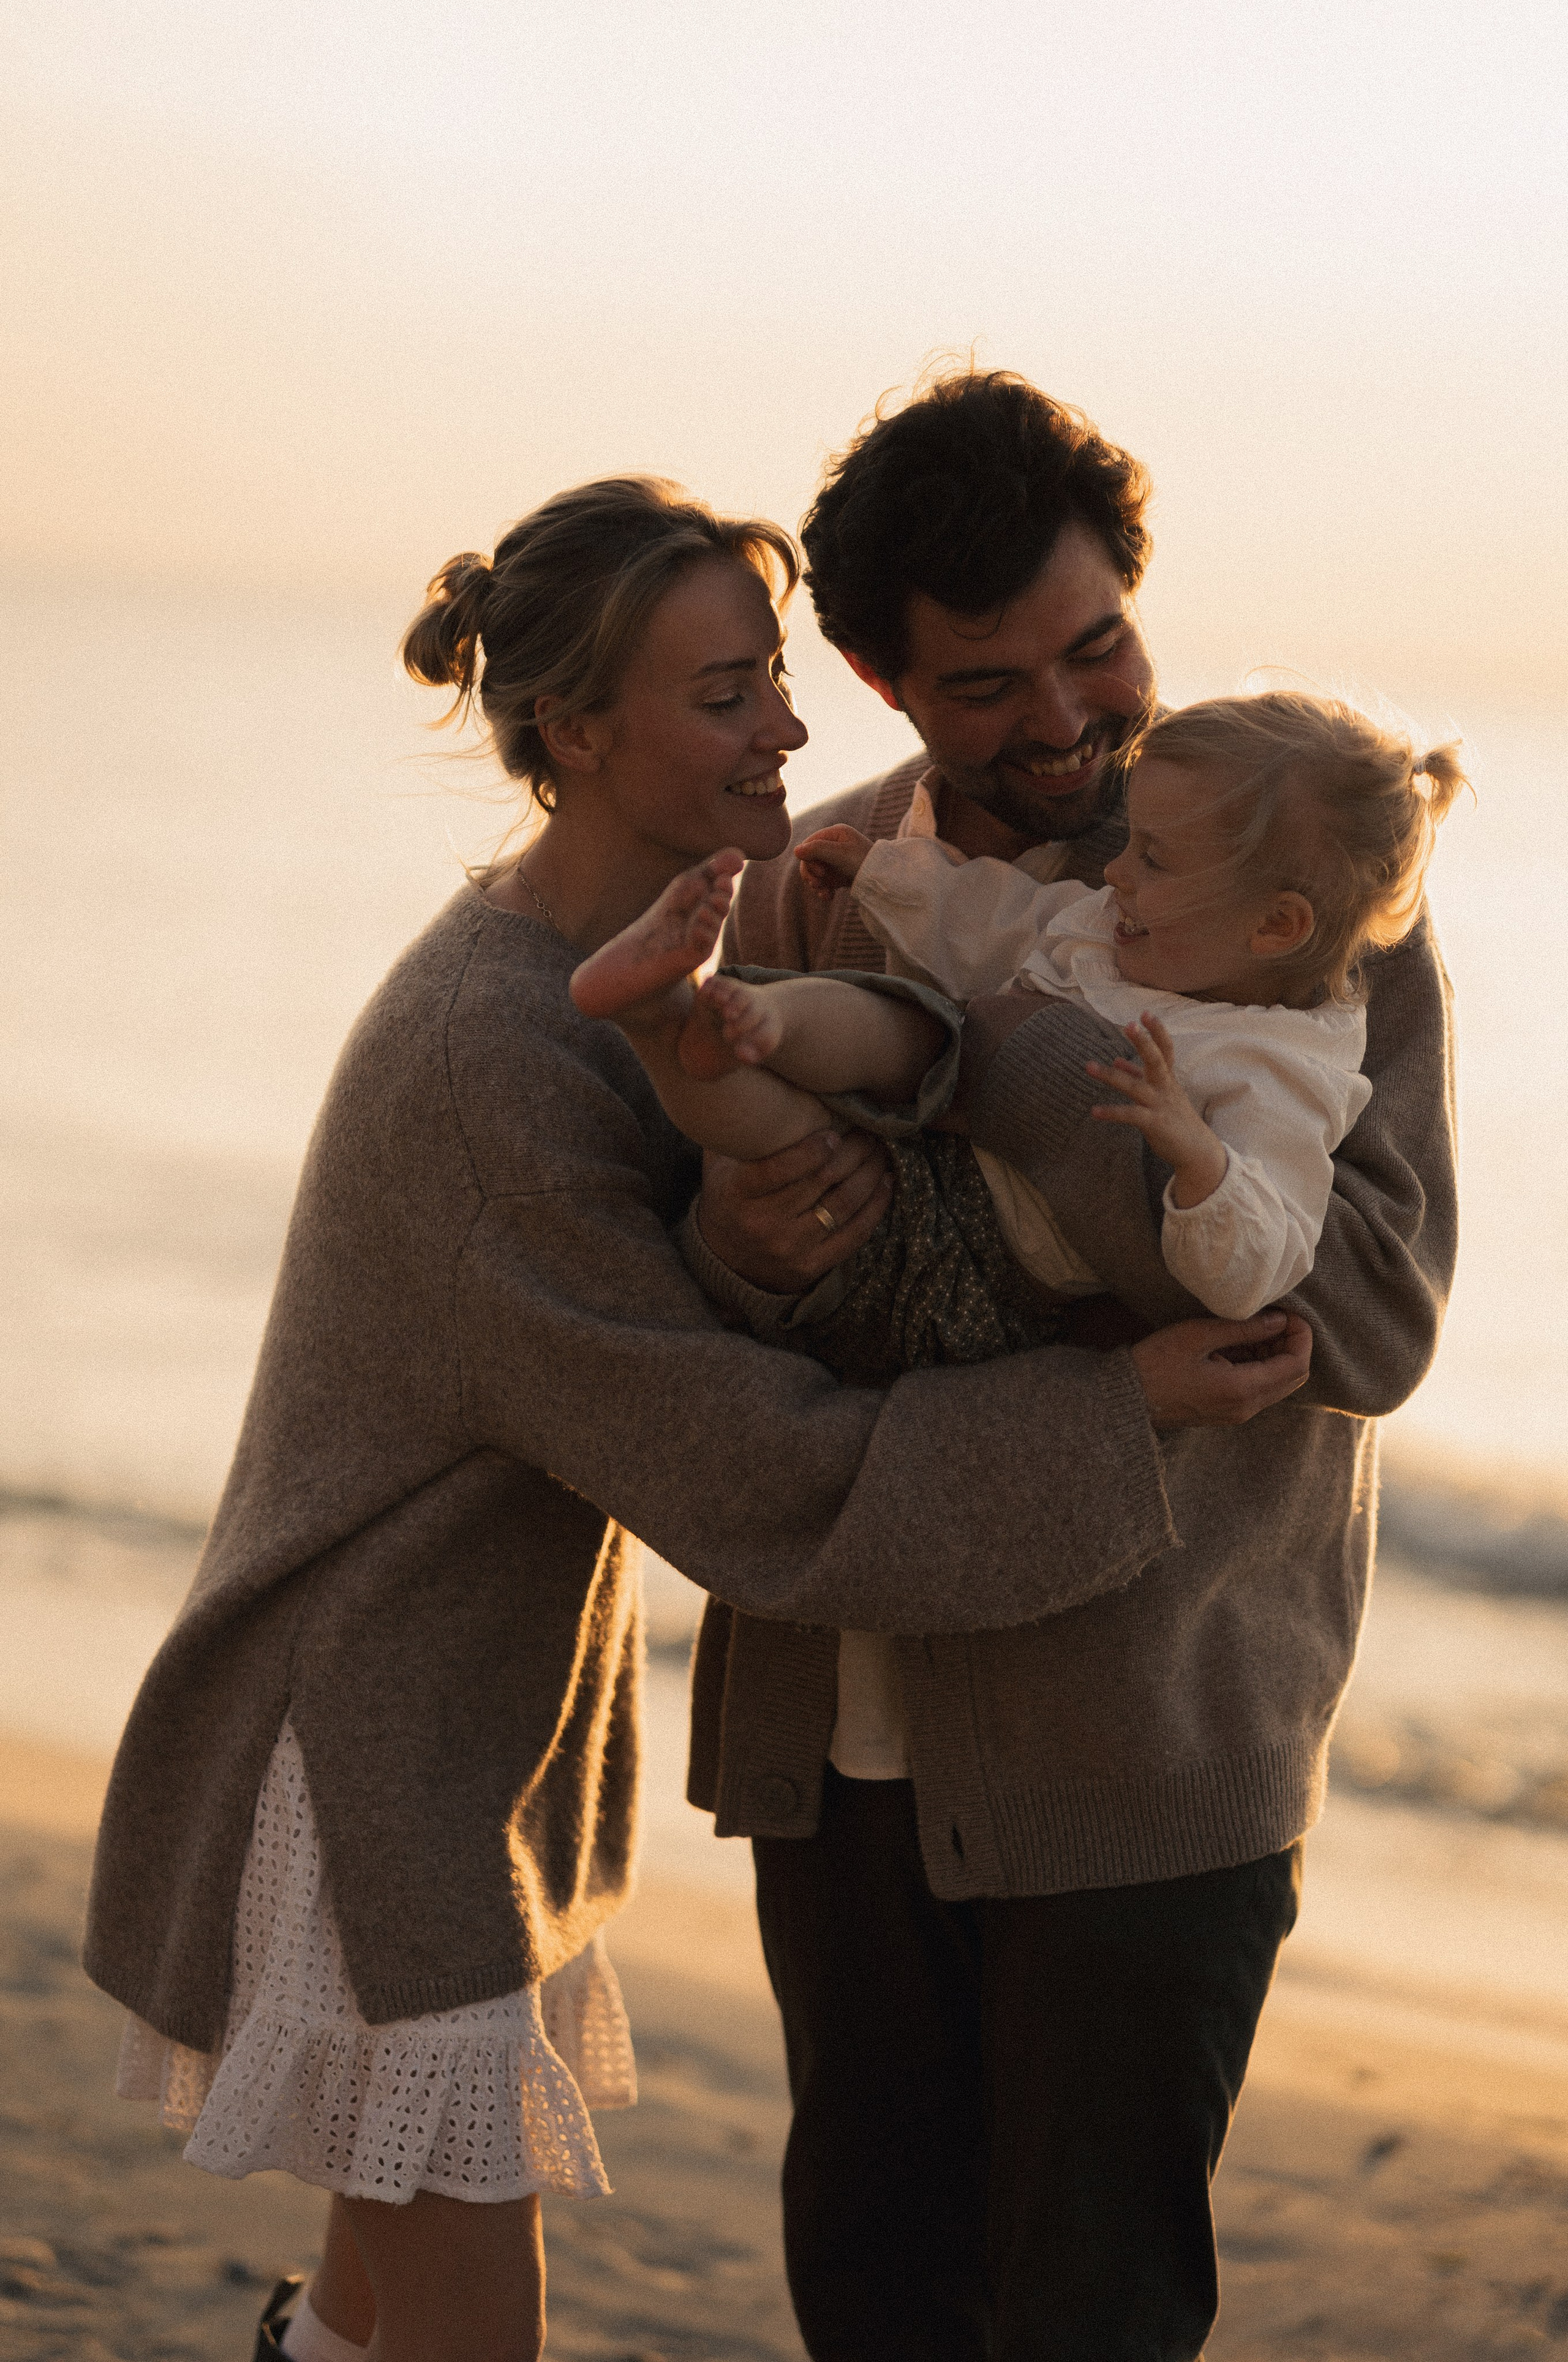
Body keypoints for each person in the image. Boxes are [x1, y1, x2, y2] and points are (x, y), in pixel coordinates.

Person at [82, 474, 1306, 2362]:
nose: (795, 725)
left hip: (448, 1734)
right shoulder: (495, 1059)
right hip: (371, 1754)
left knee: (364, 2313)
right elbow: (757, 1469)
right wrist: (1122, 1412)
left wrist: (761, 1210)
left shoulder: (668, 961)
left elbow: (791, 1226)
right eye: (730, 693)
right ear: (580, 732)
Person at [684, 372, 1458, 2362]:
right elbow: (750, 1299)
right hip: (839, 1728)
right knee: (869, 2285)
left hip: (1153, 1756)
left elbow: (1361, 1322)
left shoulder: (1308, 895)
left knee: (1088, 2315)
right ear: (873, 678)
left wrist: (1013, 1061)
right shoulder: (828, 881)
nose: (1066, 718)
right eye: (985, 684)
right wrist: (738, 1248)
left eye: (1096, 640)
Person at [573, 689, 1463, 1325]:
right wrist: (880, 874)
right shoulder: (1118, 932)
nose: (1115, 870)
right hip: (934, 1116)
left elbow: (1259, 1266)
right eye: (990, 678)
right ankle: (725, 1014)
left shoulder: (1281, 1071)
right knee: (881, 1024)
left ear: (1276, 925)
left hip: (985, 1257)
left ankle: (658, 1021)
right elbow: (998, 920)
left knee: (783, 1133)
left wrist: (1194, 1153)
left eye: (1153, 860)